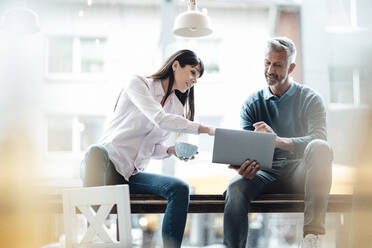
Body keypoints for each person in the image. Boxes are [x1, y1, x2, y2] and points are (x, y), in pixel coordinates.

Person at [80, 49, 215, 248]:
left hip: (129, 176)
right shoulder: (138, 83)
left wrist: (170, 151)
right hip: (104, 167)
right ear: (175, 65)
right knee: (95, 151)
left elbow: (151, 147)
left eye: (198, 77)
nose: (195, 80)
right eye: (193, 72)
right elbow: (159, 118)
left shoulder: (176, 108)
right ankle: (97, 228)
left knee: (180, 188)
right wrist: (206, 130)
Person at [223, 37, 333, 248]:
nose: (270, 70)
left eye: (278, 65)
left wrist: (278, 141)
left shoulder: (310, 99)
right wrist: (244, 166)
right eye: (267, 63)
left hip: (301, 172)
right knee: (235, 187)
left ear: (291, 67)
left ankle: (312, 238)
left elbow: (320, 140)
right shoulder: (251, 104)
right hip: (265, 173)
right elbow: (247, 147)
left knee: (320, 147)